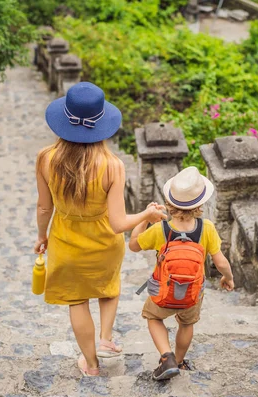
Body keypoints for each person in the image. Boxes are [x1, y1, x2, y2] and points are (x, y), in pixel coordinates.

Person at [34, 82, 166, 377]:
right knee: (109, 289)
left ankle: (92, 364)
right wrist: (147, 213)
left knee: (77, 301)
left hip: (65, 242)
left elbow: (44, 208)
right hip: (105, 243)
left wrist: (42, 236)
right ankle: (106, 338)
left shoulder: (46, 159)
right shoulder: (112, 165)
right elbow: (119, 224)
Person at [129, 166, 235, 381]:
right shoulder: (207, 228)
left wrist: (145, 219)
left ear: (169, 203)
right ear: (200, 204)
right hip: (193, 294)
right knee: (186, 324)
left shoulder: (161, 229)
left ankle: (166, 356)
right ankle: (178, 360)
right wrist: (228, 278)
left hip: (163, 290)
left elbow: (133, 246)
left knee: (152, 317)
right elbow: (220, 261)